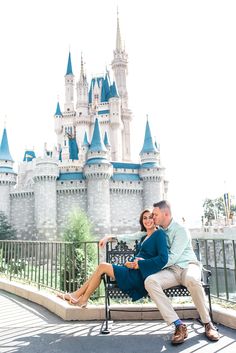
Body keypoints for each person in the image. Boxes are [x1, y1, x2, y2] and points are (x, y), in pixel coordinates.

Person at [144, 200, 220, 344]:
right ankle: (178, 325)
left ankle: (208, 323)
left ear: (165, 214)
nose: (152, 217)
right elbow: (139, 235)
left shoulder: (180, 229)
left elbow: (173, 257)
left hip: (188, 266)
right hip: (171, 271)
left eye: (155, 214)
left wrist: (147, 266)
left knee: (192, 279)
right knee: (150, 281)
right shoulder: (159, 232)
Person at [57, 209, 168, 307]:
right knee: (100, 270)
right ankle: (81, 298)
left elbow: (162, 258)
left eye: (150, 217)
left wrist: (141, 263)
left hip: (139, 276)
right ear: (141, 221)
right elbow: (134, 247)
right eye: (144, 218)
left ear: (155, 219)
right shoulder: (144, 236)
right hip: (132, 271)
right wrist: (129, 262)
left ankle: (80, 297)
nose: (147, 220)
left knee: (102, 266)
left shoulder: (159, 234)